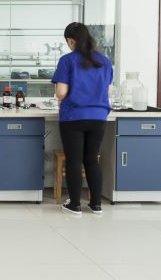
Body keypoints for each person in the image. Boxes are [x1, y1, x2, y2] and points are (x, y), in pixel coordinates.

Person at [52, 22, 113, 216]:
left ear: (71, 41)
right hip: (99, 117)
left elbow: (61, 92)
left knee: (74, 160)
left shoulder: (67, 60)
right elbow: (108, 91)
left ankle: (75, 204)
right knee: (92, 160)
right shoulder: (104, 61)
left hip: (74, 116)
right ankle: (96, 205)